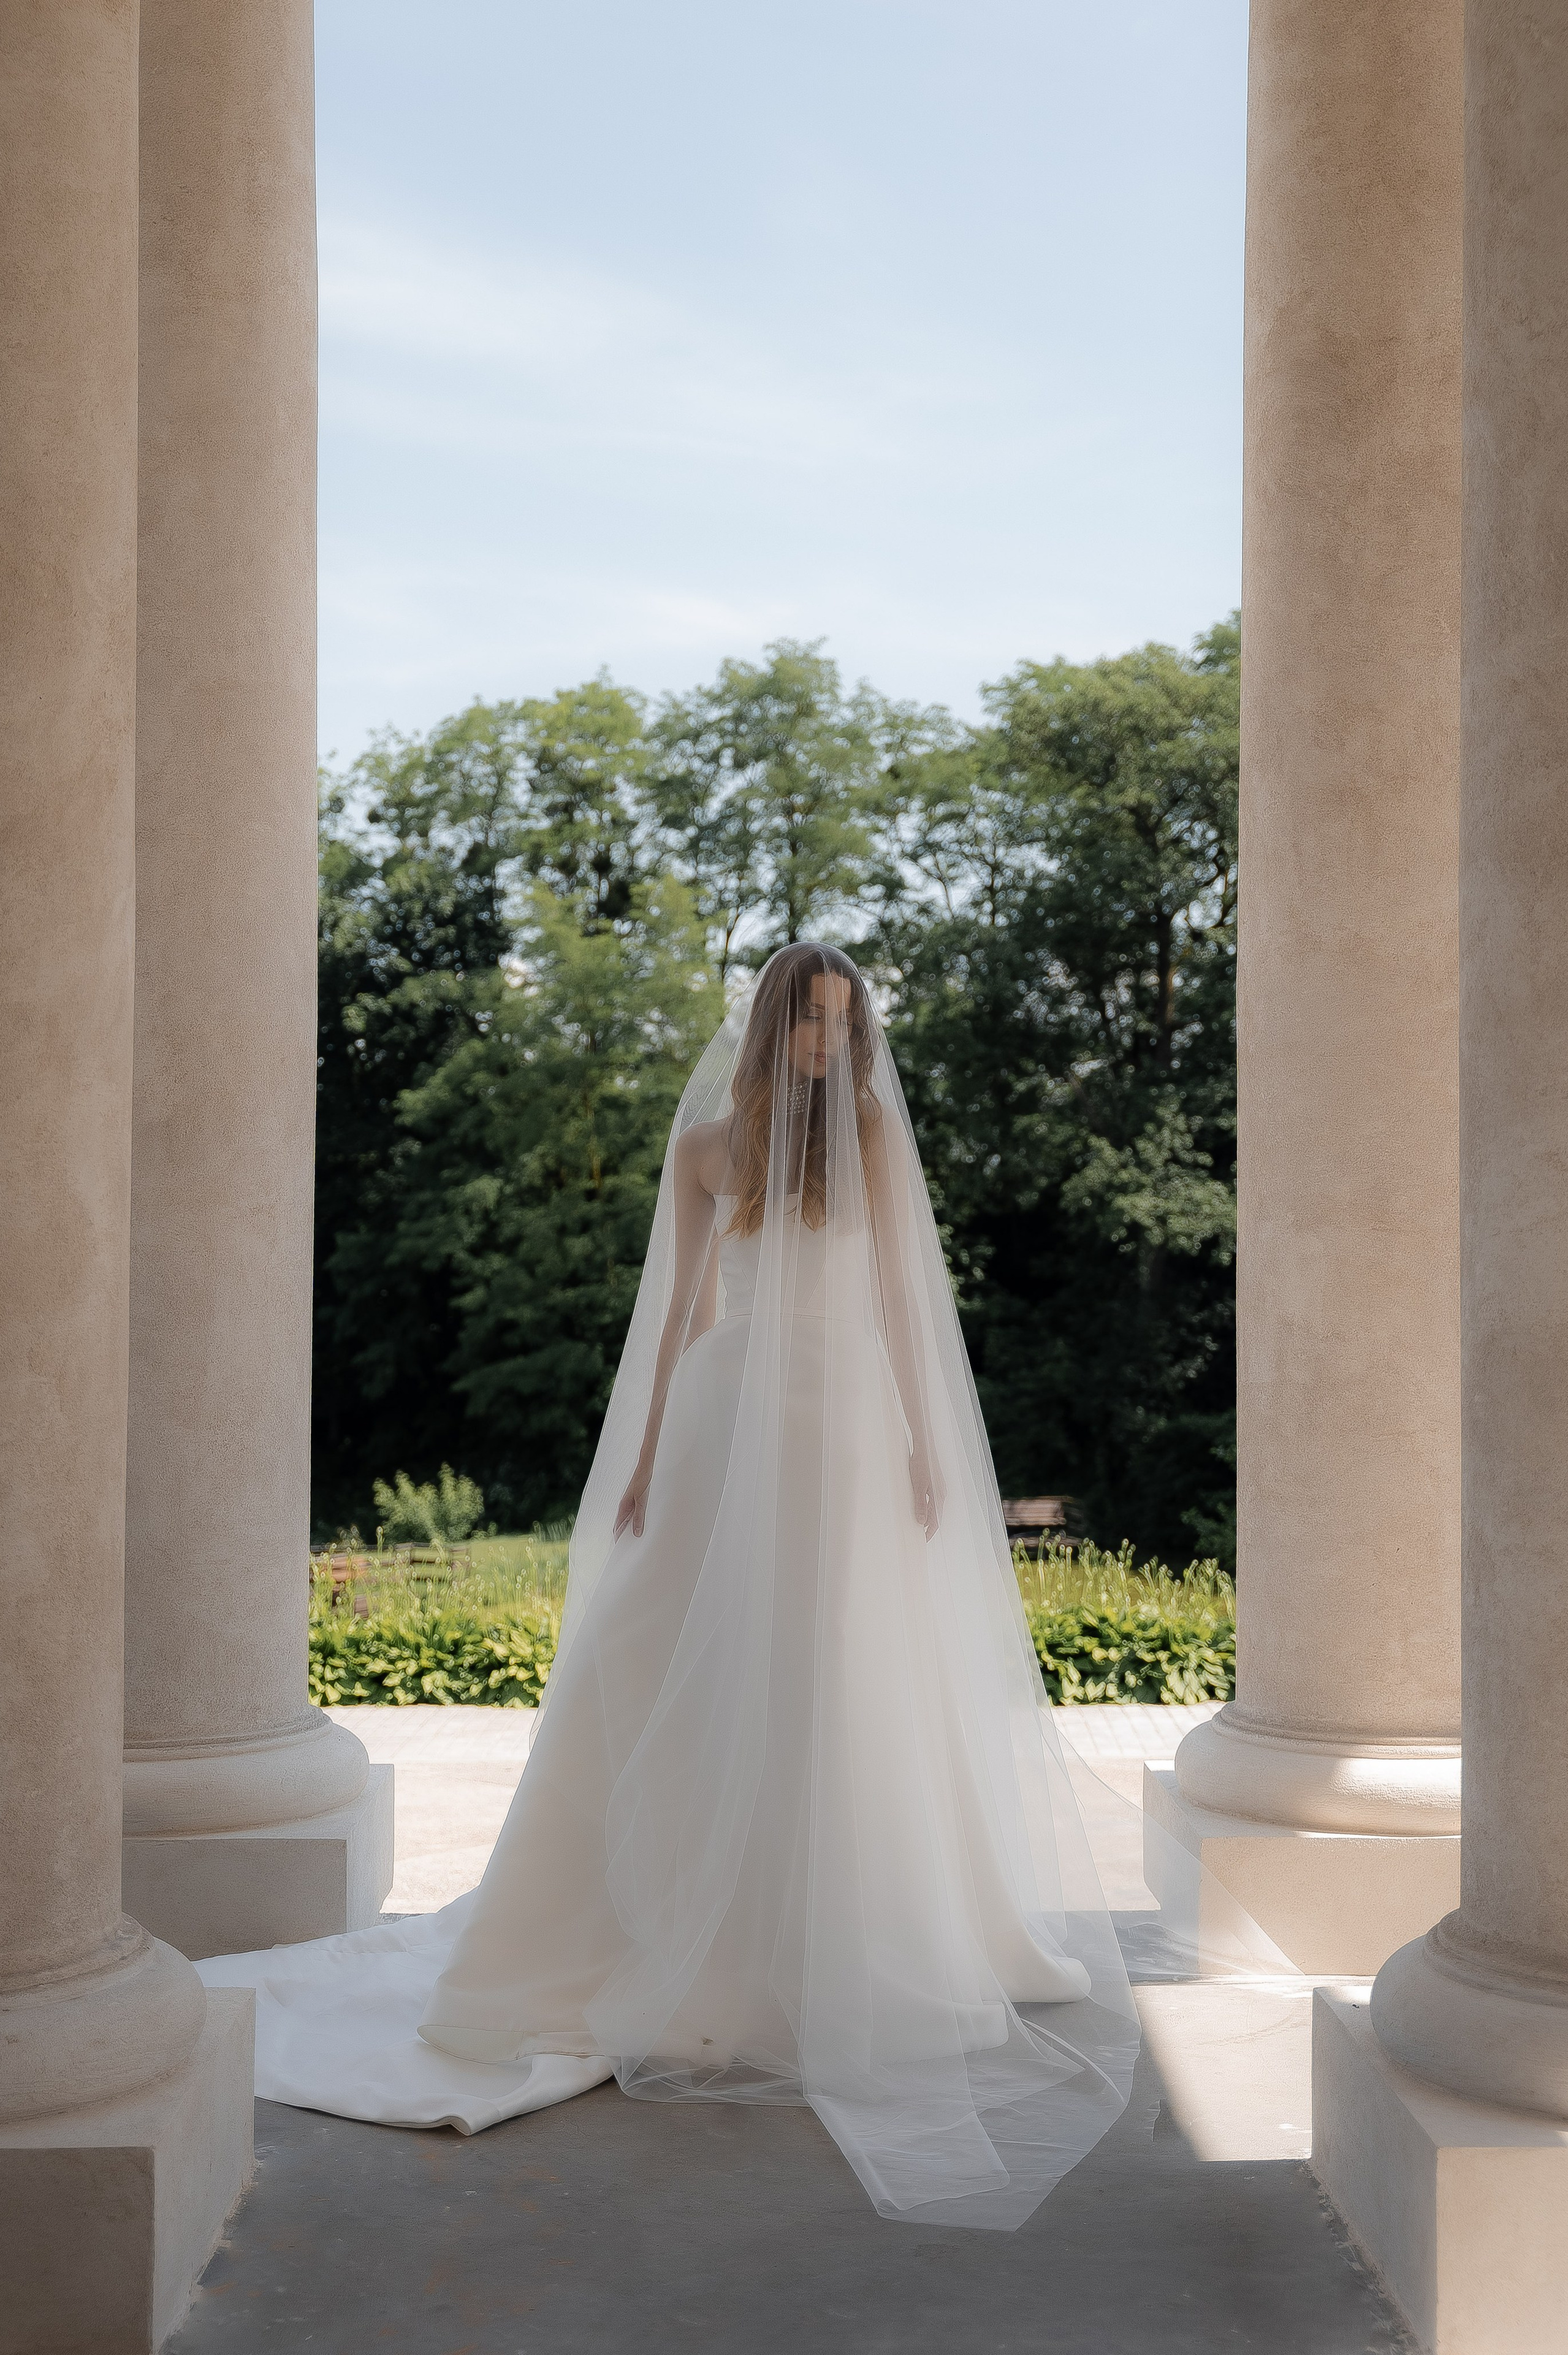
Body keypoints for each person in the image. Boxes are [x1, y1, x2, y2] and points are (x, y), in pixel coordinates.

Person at [202, 944, 1144, 2230]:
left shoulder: (869, 1128)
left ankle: (816, 1942)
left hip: (842, 1423)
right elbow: (682, 1313)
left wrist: (927, 1443)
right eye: (808, 1021)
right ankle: (642, 1925)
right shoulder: (705, 1145)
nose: (827, 1041)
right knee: (658, 1653)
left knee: (833, 1667)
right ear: (770, 1026)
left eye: (843, 1021)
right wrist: (643, 1464)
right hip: (718, 1424)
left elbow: (901, 1303)